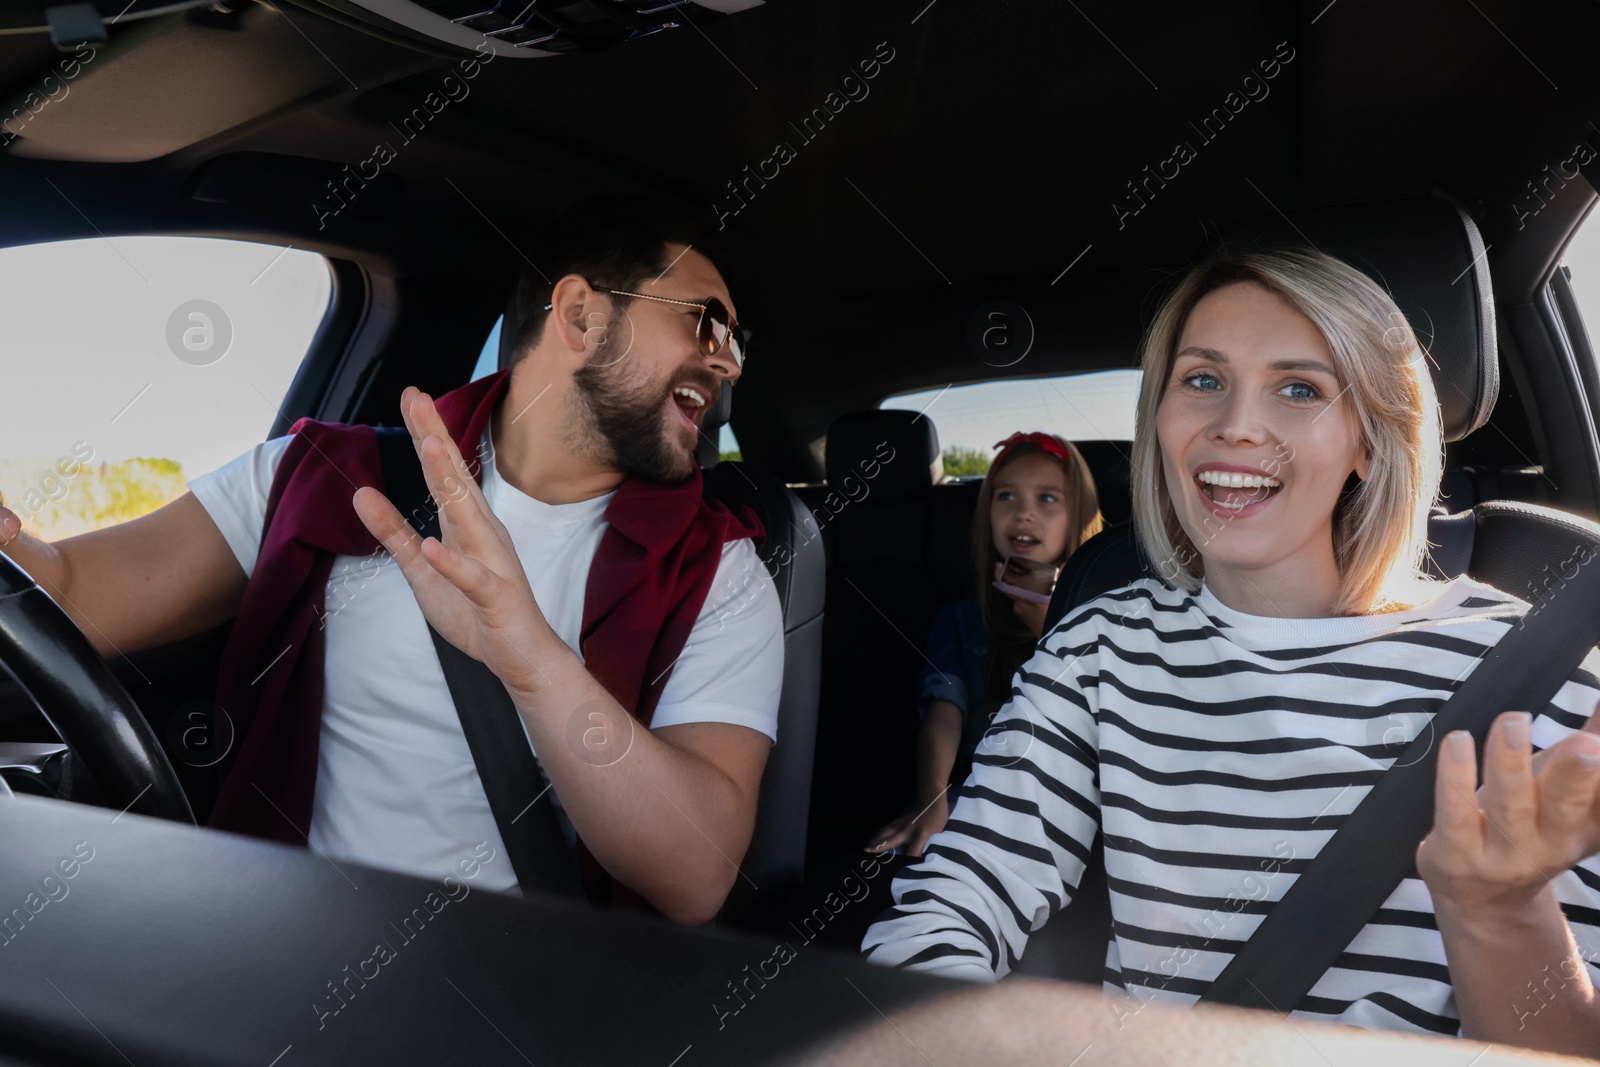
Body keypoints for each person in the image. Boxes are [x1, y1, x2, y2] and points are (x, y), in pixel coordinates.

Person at [860, 247, 1600, 1056]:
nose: (1236, 425)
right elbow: (947, 906)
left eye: (1300, 389)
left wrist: (1501, 915)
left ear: (1370, 441)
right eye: (1204, 379)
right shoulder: (1101, 648)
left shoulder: (1540, 667)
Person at [0, 196, 784, 925]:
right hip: (267, 945)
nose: (729, 365)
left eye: (737, 342)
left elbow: (697, 874)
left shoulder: (721, 573)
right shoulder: (316, 478)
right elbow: (65, 593)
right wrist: (15, 548)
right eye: (709, 326)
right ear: (580, 314)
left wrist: (533, 660)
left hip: (528, 998)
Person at [864, 431, 1102, 856]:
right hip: (984, 795)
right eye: (1006, 497)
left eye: (1047, 499)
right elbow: (945, 709)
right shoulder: (961, 618)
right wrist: (933, 796)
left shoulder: (1105, 618)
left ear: (1079, 517)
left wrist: (1046, 628)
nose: (1023, 514)